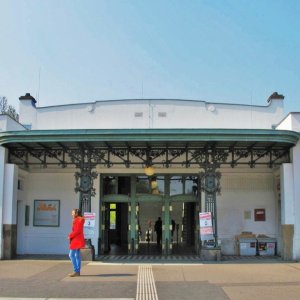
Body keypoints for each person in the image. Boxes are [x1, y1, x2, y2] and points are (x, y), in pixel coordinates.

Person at [68, 208, 85, 277]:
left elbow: (77, 231)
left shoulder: (78, 220)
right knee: (77, 255)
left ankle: (76, 271)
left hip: (76, 240)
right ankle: (78, 271)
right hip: (78, 239)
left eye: (73, 213)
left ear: (76, 213)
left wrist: (70, 236)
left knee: (71, 255)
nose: (71, 214)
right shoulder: (80, 219)